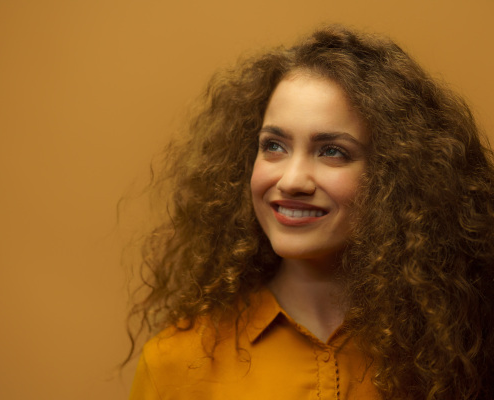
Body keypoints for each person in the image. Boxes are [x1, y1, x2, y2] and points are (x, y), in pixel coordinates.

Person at [125, 25, 494, 400]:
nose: (292, 180)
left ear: (395, 175)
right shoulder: (175, 364)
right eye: (274, 146)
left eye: (332, 151)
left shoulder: (459, 354)